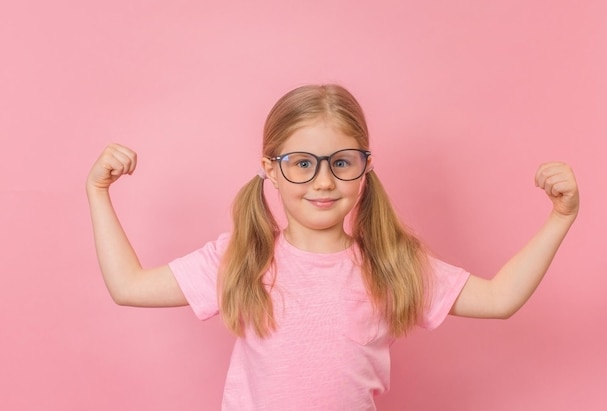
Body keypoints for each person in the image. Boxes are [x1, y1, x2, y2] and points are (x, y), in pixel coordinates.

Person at [86, 84, 579, 410]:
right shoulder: (243, 257)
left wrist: (560, 218)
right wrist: (98, 193)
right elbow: (128, 286)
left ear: (364, 168)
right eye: (303, 163)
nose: (323, 181)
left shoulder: (390, 264)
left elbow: (498, 299)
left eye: (341, 162)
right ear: (270, 168)